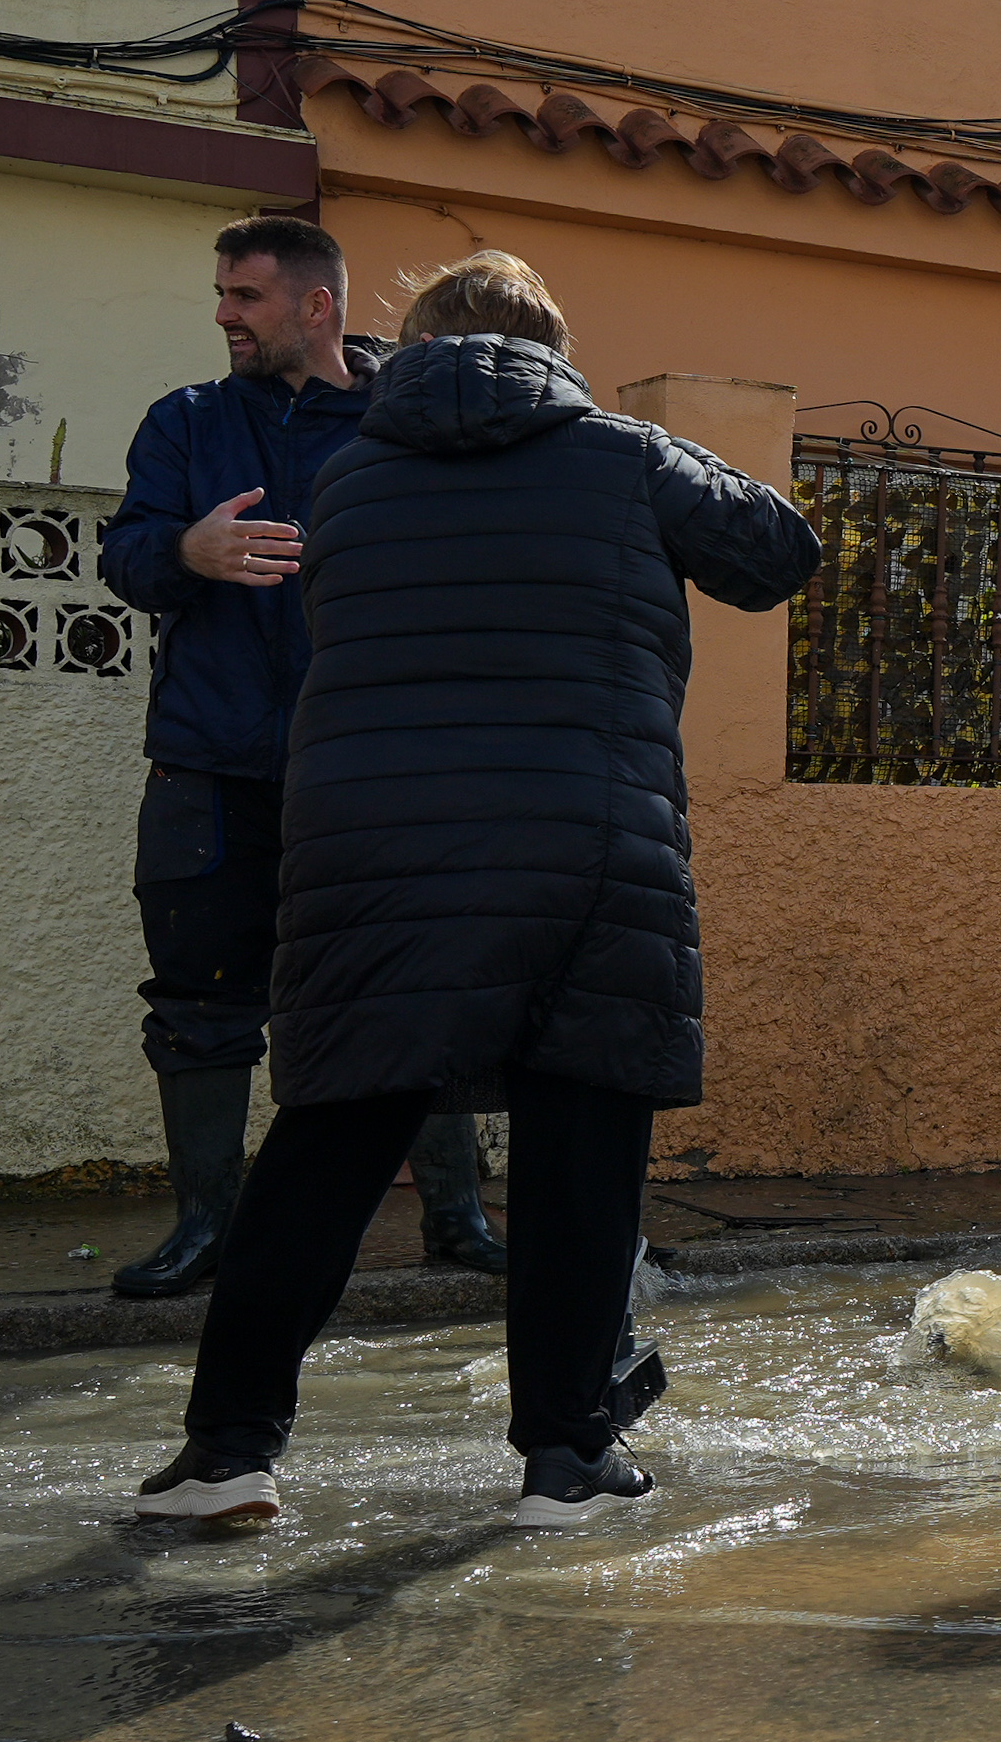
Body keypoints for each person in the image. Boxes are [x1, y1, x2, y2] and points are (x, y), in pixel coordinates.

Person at [126, 252, 823, 1529]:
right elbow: (780, 554)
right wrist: (653, 445)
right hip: (583, 839)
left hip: (372, 852)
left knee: (328, 1142)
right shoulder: (624, 456)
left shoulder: (344, 483)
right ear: (553, 350)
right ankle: (566, 1458)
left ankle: (226, 1453)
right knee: (581, 1139)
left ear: (414, 345)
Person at [96, 216, 501, 1298]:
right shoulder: (183, 423)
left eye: (246, 296)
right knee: (199, 1003)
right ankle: (208, 1232)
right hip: (210, 768)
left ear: (315, 306)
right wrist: (187, 550)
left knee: (416, 995)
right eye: (222, 294)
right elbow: (126, 556)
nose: (224, 314)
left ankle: (458, 1223)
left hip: (376, 772)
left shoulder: (403, 421)